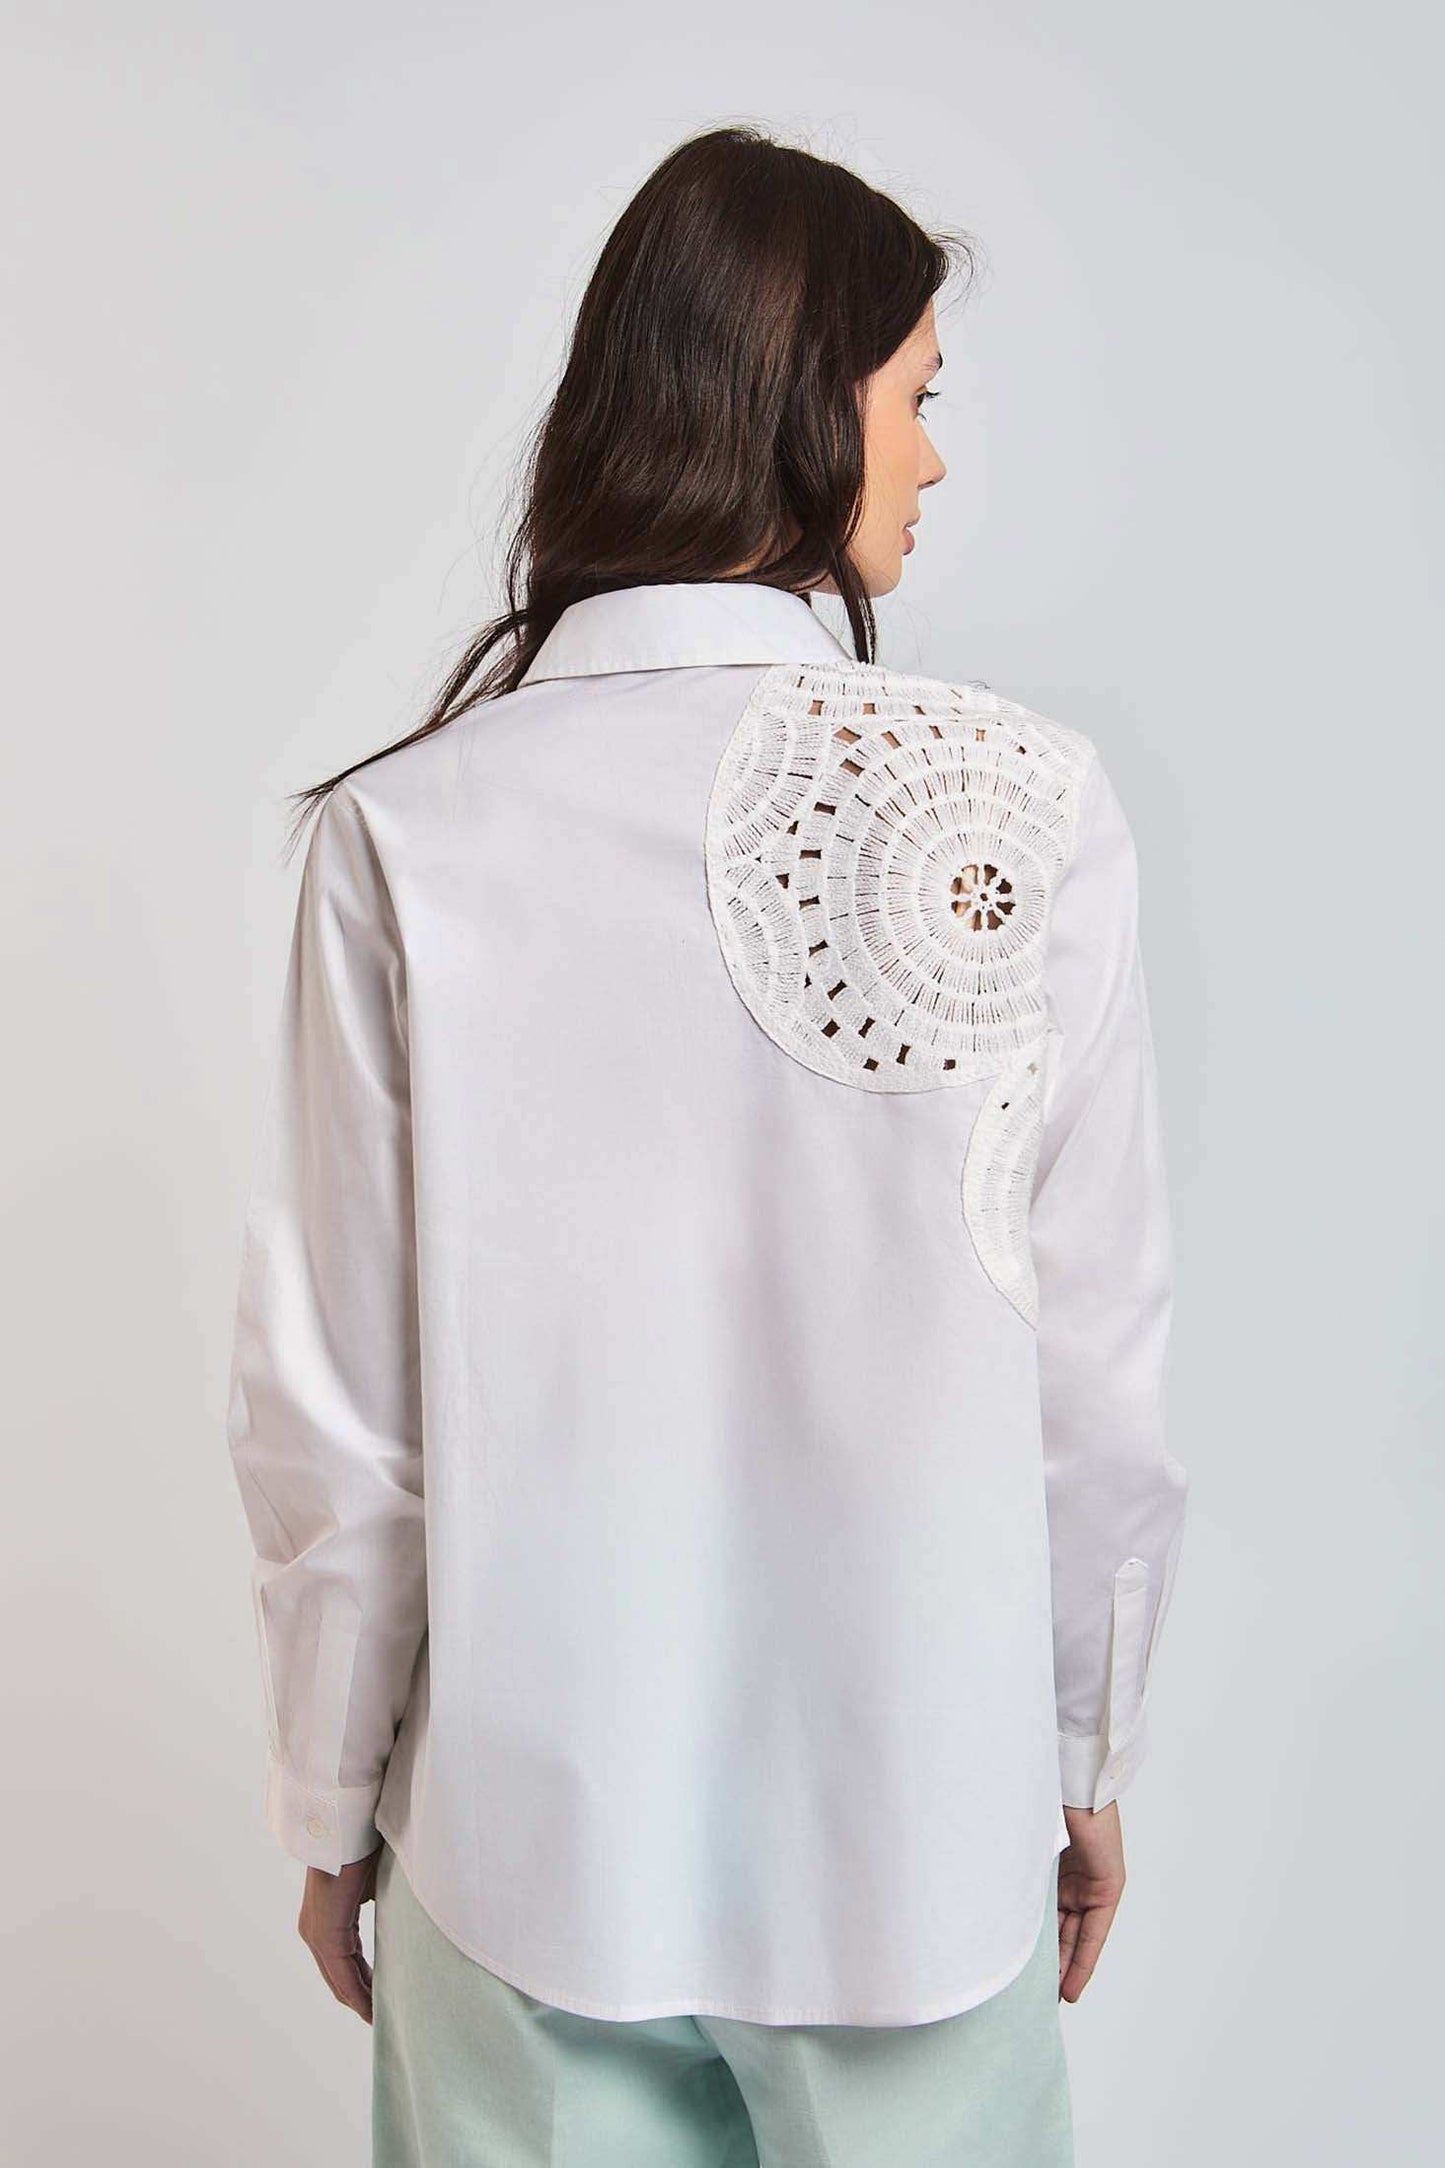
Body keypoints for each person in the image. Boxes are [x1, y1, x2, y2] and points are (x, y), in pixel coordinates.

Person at [225, 123, 1189, 2168]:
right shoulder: (1026, 809)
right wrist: (1081, 1745)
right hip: (919, 1845)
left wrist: (330, 1800)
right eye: (915, 398)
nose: (933, 460)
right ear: (797, 405)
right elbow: (1093, 1371)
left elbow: (342, 1414)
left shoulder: (405, 831)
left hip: (519, 1849)